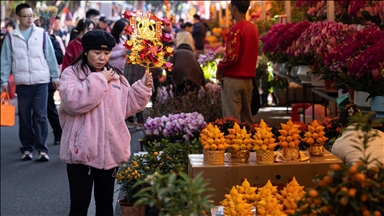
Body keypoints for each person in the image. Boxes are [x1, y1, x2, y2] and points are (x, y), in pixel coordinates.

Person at [59, 30, 153, 215]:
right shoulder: (71, 74)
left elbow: (126, 106)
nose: (102, 58)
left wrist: (142, 87)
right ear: (86, 51)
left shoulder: (116, 75)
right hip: (81, 152)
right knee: (79, 205)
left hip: (110, 151)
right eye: (97, 53)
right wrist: (100, 79)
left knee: (105, 205)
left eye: (107, 53)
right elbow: (73, 102)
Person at [0, 3, 60, 161]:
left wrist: (55, 77)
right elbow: (5, 61)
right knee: (25, 118)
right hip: (22, 83)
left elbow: (51, 57)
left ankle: (42, 149)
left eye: (31, 16)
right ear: (18, 17)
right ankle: (27, 147)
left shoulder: (41, 33)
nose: (29, 19)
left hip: (41, 82)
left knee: (40, 116)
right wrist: (3, 80)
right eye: (26, 16)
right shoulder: (11, 37)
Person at [216, 0, 259, 126]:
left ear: (234, 8)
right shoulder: (253, 28)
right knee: (247, 119)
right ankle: (250, 143)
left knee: (232, 121)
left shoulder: (236, 29)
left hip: (233, 80)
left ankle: (234, 145)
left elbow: (231, 57)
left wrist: (219, 67)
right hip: (248, 81)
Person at [35, 17, 64, 145]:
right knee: (33, 112)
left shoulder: (52, 40)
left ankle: (58, 133)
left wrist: (47, 51)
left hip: (46, 80)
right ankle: (34, 139)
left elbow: (59, 58)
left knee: (49, 109)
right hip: (31, 81)